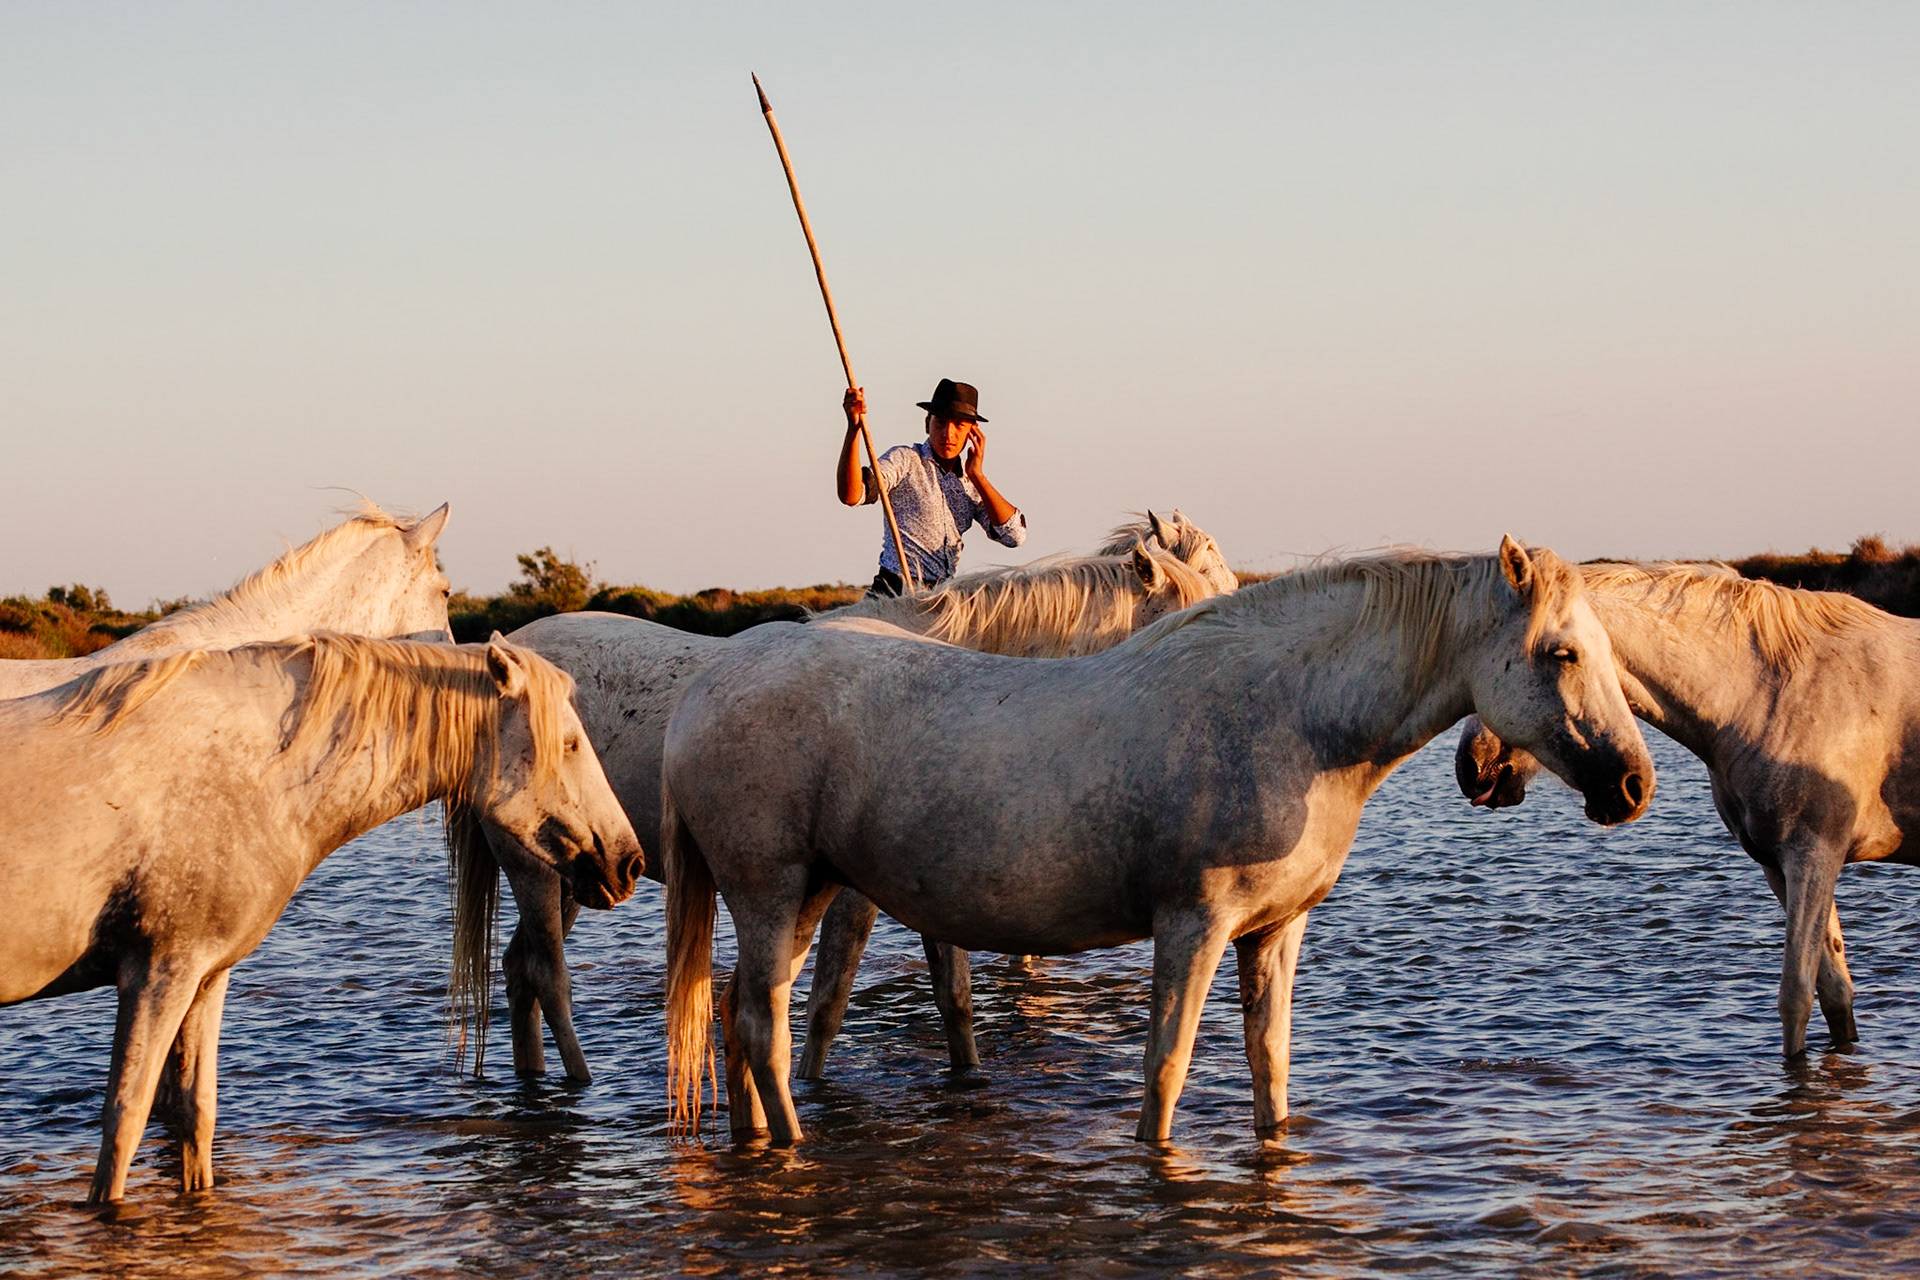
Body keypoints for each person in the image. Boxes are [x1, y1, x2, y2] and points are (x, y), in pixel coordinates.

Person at [835, 378, 1026, 596]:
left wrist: (978, 476)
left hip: (940, 598)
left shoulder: (971, 486)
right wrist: (853, 429)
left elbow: (1014, 536)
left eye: (958, 425)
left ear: (972, 432)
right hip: (894, 593)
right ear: (927, 423)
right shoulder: (905, 461)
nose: (948, 434)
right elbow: (852, 495)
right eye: (940, 423)